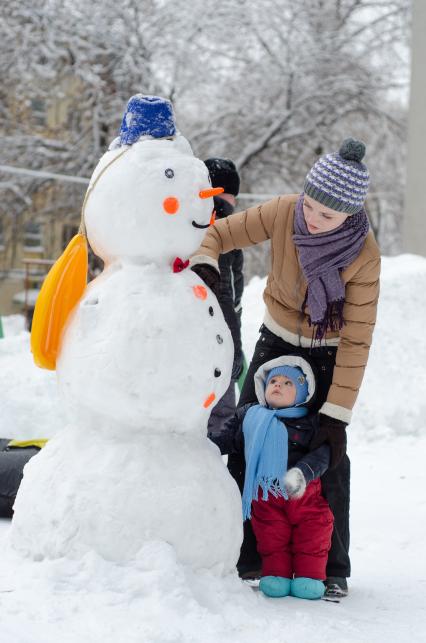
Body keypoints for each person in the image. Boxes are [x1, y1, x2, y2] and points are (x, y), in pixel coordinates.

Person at [191, 138, 381, 599]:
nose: (313, 220)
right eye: (311, 206)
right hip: (275, 341)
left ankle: (332, 565)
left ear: (351, 216)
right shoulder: (283, 212)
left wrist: (336, 414)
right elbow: (217, 234)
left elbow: (357, 338)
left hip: (329, 349)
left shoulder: (363, 255)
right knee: (248, 435)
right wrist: (205, 264)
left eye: (328, 216)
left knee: (328, 454)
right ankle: (247, 553)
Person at [209, 356, 333, 599]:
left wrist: (304, 472)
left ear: (302, 393)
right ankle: (277, 576)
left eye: (288, 383)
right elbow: (227, 439)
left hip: (303, 493)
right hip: (266, 495)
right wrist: (201, 442)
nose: (278, 385)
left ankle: (310, 577)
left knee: (312, 533)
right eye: (273, 380)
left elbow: (324, 453)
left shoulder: (309, 422)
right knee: (271, 536)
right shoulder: (250, 417)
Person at [203, 158, 244, 437]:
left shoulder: (185, 220)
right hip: (216, 338)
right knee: (220, 416)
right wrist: (235, 347)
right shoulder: (224, 225)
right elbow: (225, 291)